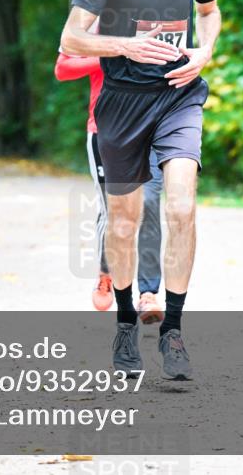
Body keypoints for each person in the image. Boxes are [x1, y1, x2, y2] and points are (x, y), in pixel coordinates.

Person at [59, 0, 221, 380]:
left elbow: (209, 12)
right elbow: (71, 39)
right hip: (123, 103)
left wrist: (204, 52)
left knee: (181, 206)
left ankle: (173, 330)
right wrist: (125, 45)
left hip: (178, 96)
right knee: (125, 221)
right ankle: (126, 323)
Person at [54, 23, 165, 323]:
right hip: (106, 129)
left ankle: (148, 293)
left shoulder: (159, 15)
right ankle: (107, 270)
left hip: (150, 126)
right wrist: (115, 52)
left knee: (149, 204)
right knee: (115, 210)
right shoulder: (94, 22)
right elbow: (63, 69)